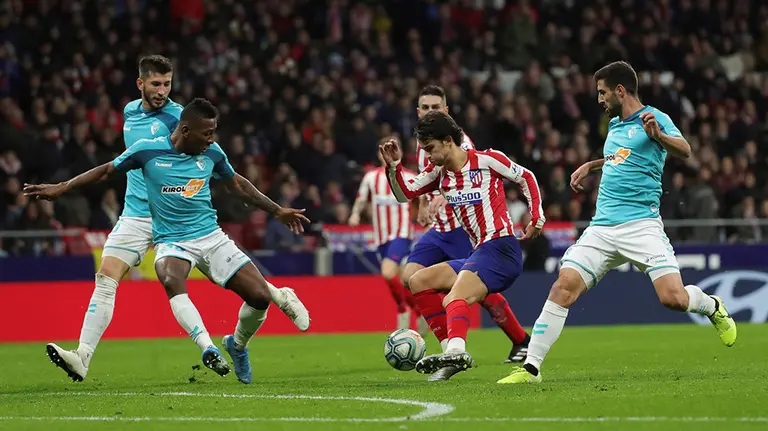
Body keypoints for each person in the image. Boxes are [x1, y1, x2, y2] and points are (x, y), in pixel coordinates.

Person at [25, 98, 311, 385]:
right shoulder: (148, 150)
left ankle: (236, 345)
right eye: (206, 133)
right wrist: (63, 187)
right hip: (172, 240)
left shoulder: (212, 153)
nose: (211, 140)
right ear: (185, 130)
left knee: (259, 298)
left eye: (214, 132)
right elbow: (107, 170)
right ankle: (207, 346)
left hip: (210, 236)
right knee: (170, 277)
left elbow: (237, 184)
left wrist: (276, 210)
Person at [497, 61, 737, 385]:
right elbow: (619, 156)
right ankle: (531, 368)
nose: (599, 99)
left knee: (673, 299)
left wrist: (659, 135)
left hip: (642, 225)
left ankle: (711, 306)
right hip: (602, 228)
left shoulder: (654, 118)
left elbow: (686, 150)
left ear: (620, 91)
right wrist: (591, 165)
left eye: (602, 92)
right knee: (563, 286)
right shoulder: (614, 126)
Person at [380, 111, 545, 380]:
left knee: (454, 297)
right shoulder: (438, 173)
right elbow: (405, 194)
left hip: (502, 248)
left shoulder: (487, 160)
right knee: (418, 280)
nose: (428, 156)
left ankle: (457, 352)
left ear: (448, 141)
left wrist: (537, 217)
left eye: (430, 149)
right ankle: (450, 353)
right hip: (479, 251)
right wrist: (394, 167)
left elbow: (526, 177)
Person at [403, 85, 532, 369]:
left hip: (466, 229)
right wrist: (425, 202)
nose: (430, 111)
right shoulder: (424, 142)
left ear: (446, 111)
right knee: (411, 277)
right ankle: (449, 343)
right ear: (418, 111)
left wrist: (438, 196)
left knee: (473, 288)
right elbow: (424, 181)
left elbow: (469, 180)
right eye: (425, 108)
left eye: (436, 107)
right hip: (439, 230)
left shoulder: (462, 145)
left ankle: (519, 338)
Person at [349, 144, 418, 329]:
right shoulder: (371, 177)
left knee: (388, 273)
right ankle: (417, 310)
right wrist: (355, 214)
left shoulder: (410, 177)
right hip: (380, 236)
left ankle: (402, 309)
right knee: (404, 281)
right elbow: (361, 199)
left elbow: (423, 198)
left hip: (401, 233)